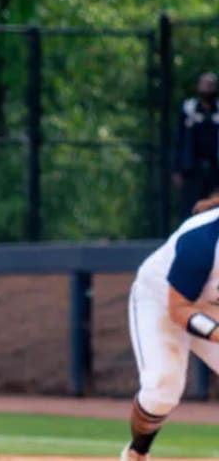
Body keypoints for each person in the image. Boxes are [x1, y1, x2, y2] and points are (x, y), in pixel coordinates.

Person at [122, 190, 219, 460]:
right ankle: (137, 452)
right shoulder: (202, 241)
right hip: (163, 299)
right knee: (162, 386)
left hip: (212, 302)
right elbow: (179, 310)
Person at [173, 72, 219, 219]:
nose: (208, 88)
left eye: (211, 85)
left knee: (212, 208)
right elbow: (178, 140)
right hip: (192, 171)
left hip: (215, 170)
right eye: (205, 84)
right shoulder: (188, 109)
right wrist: (177, 169)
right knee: (190, 209)